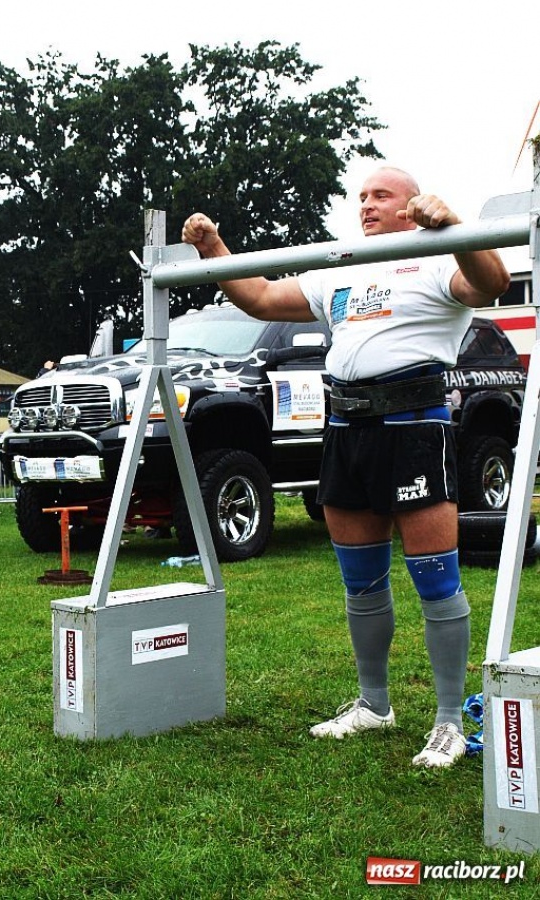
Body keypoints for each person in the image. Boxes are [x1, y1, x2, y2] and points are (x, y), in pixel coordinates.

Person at [182, 166, 510, 769]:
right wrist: (213, 248)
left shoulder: (436, 254)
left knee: (436, 581)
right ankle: (373, 703)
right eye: (361, 197)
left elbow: (491, 285)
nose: (367, 205)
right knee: (361, 583)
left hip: (414, 426)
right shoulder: (341, 267)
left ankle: (446, 724)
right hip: (346, 429)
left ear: (412, 205)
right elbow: (257, 296)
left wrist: (458, 227)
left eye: (380, 195)